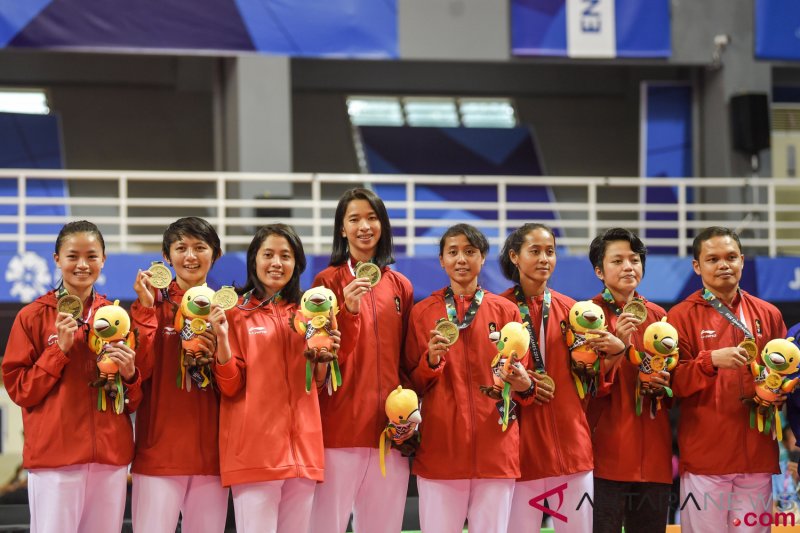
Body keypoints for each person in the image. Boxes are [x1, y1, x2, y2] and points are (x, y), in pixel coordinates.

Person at [2, 220, 148, 533]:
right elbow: (20, 391)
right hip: (56, 460)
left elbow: (133, 401)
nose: (82, 265)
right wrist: (59, 351)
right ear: (57, 259)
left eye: (92, 256)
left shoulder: (118, 317)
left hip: (110, 458)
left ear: (103, 260)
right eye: (72, 256)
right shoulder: (33, 316)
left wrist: (129, 373)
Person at [208, 224, 339, 533]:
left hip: (303, 456)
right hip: (255, 458)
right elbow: (229, 385)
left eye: (286, 255)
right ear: (254, 260)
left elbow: (317, 384)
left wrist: (326, 354)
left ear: (297, 264)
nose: (276, 263)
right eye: (268, 254)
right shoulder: (235, 313)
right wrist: (223, 341)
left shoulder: (307, 314)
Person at [403, 223, 525, 532]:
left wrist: (518, 377)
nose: (461, 259)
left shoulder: (507, 311)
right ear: (441, 260)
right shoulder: (422, 313)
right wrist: (431, 361)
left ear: (483, 258)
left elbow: (521, 382)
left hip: (496, 451)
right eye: (453, 252)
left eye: (470, 252)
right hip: (442, 452)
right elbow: (410, 384)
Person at [310, 188, 414, 533]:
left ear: (382, 226)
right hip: (339, 432)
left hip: (389, 432)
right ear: (342, 229)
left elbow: (405, 361)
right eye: (354, 219)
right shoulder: (325, 283)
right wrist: (349, 310)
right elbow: (321, 356)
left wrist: (410, 413)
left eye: (372, 218)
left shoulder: (401, 286)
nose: (364, 226)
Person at [668, 226, 785, 532]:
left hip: (757, 459)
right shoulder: (680, 316)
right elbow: (673, 385)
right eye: (713, 258)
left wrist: (780, 389)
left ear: (742, 261)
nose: (724, 265)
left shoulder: (768, 314)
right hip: (706, 461)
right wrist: (709, 361)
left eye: (731, 257)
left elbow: (784, 374)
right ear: (697, 266)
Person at [130, 217, 229, 533]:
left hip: (213, 461)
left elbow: (235, 384)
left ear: (215, 254)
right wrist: (146, 312)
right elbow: (139, 371)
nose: (190, 256)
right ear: (165, 256)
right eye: (181, 248)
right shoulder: (149, 307)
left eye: (200, 248)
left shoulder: (226, 313)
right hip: (159, 456)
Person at [499, 223, 594, 532]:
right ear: (514, 256)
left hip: (572, 451)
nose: (544, 259)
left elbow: (594, 381)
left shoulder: (575, 312)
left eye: (550, 252)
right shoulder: (498, 310)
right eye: (535, 251)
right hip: (518, 456)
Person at [586, 228, 672, 533]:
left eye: (634, 260)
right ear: (599, 270)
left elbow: (673, 382)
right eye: (617, 260)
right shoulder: (587, 315)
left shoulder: (659, 316)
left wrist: (664, 382)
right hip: (605, 457)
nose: (628, 267)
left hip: (654, 457)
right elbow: (583, 388)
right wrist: (618, 347)